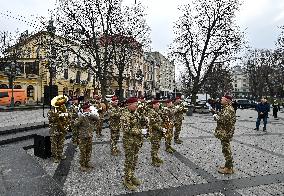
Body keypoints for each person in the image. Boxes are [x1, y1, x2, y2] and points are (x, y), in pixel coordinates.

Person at [120, 97, 146, 191]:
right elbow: (127, 129)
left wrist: (143, 116)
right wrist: (140, 131)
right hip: (129, 142)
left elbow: (142, 123)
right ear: (129, 105)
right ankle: (127, 180)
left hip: (136, 141)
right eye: (135, 104)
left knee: (134, 160)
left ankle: (131, 176)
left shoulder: (136, 113)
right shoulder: (125, 115)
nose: (137, 106)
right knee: (129, 161)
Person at [213, 95, 236, 174]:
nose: (220, 100)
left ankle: (229, 168)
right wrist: (217, 113)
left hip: (226, 132)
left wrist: (216, 117)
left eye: (222, 99)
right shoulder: (226, 108)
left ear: (226, 101)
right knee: (226, 149)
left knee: (226, 150)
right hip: (225, 131)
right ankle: (228, 165)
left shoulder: (229, 109)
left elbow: (224, 120)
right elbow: (224, 116)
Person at [75, 102, 99, 172]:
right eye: (88, 109)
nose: (89, 110)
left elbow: (97, 119)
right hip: (83, 136)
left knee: (89, 150)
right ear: (84, 110)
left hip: (89, 135)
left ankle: (87, 162)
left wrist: (91, 114)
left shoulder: (90, 116)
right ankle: (82, 165)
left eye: (89, 109)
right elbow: (76, 124)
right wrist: (81, 116)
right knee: (83, 151)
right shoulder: (81, 116)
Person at [48, 95, 70, 163]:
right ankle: (55, 157)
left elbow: (68, 116)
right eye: (59, 104)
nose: (61, 105)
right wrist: (57, 115)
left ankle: (60, 154)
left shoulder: (64, 111)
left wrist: (65, 115)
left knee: (61, 143)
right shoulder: (51, 112)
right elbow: (51, 119)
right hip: (54, 130)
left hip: (62, 130)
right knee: (54, 144)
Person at [148, 100, 164, 167]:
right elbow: (153, 123)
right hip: (154, 132)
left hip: (158, 132)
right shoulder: (151, 112)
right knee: (154, 147)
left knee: (157, 146)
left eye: (159, 104)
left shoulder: (157, 112)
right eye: (157, 104)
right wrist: (161, 129)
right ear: (153, 105)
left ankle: (156, 157)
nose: (158, 105)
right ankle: (153, 161)